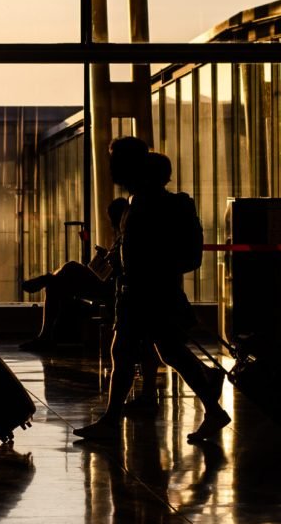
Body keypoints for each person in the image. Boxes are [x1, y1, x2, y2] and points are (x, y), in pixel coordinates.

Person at [74, 138, 229, 442]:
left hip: (145, 293)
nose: (111, 167)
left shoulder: (144, 204)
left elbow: (145, 251)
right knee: (167, 351)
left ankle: (111, 420)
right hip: (152, 292)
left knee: (131, 352)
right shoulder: (145, 201)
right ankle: (212, 408)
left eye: (115, 160)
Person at [20, 197, 162, 412]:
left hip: (113, 288)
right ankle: (49, 284)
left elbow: (123, 267)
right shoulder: (126, 234)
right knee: (59, 282)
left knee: (68, 270)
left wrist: (109, 259)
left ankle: (47, 293)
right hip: (110, 284)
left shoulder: (129, 234)